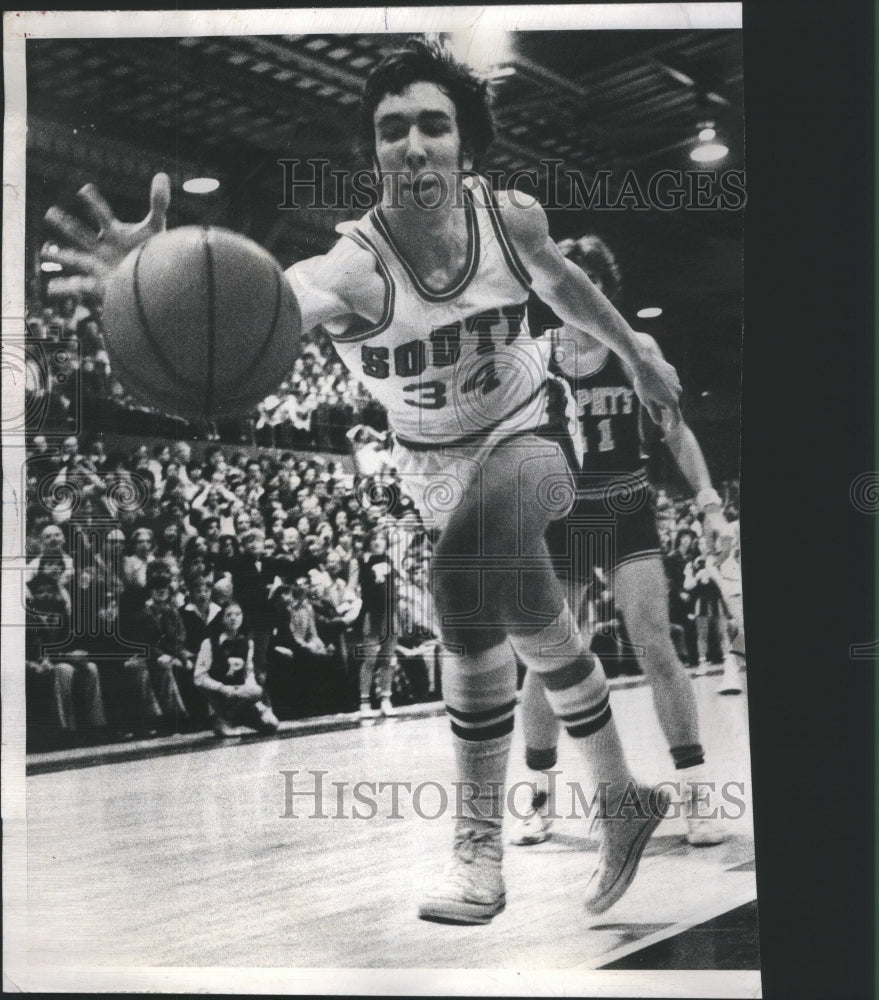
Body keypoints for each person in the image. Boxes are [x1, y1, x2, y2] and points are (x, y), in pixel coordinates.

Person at [44, 37, 682, 925]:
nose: (412, 145)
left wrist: (635, 358)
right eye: (391, 130)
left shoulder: (512, 221)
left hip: (531, 432)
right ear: (374, 151)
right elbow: (265, 309)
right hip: (431, 466)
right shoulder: (350, 268)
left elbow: (565, 286)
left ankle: (476, 851)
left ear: (465, 146)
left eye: (433, 126)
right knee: (536, 624)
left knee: (462, 587)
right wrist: (154, 287)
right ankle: (623, 796)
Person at [511, 235, 735, 849]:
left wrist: (710, 505)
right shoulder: (534, 358)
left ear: (604, 293)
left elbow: (676, 432)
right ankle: (538, 796)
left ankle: (694, 794)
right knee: (547, 658)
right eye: (564, 286)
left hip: (627, 506)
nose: (575, 297)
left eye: (588, 287)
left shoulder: (638, 350)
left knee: (655, 644)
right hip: (563, 519)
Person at [193, 602, 279, 737]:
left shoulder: (247, 643)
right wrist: (222, 688)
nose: (233, 618)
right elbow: (199, 677)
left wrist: (249, 693)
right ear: (222, 618)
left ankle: (235, 719)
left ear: (242, 617)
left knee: (271, 723)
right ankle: (223, 719)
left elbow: (249, 674)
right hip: (219, 693)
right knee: (254, 695)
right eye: (229, 615)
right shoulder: (209, 643)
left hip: (240, 693)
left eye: (237, 614)